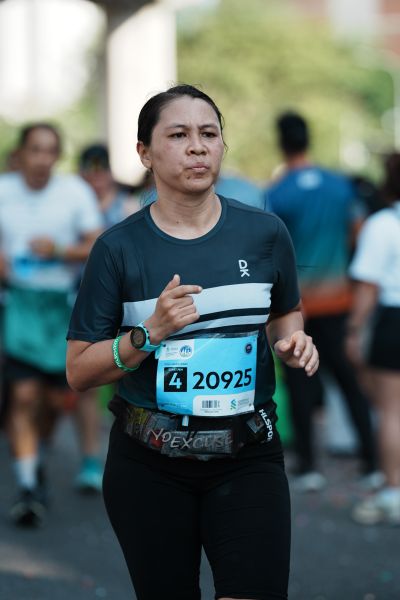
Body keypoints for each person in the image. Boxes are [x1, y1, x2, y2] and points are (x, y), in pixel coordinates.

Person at [66, 84, 319, 600]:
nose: (198, 147)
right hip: (149, 465)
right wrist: (148, 334)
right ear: (145, 153)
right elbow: (78, 371)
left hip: (249, 454)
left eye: (209, 134)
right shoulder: (117, 248)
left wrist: (292, 340)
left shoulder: (265, 233)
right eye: (178, 135)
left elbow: (285, 312)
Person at [265, 111, 379, 492]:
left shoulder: (278, 192)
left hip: (297, 306)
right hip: (340, 300)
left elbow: (274, 249)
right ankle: (371, 462)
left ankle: (309, 466)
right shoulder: (340, 186)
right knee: (349, 382)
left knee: (299, 382)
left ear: (282, 143)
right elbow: (358, 232)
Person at [0, 123, 102, 526]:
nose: (42, 159)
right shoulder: (4, 189)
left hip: (62, 305)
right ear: (20, 154)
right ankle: (28, 485)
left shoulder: (73, 192)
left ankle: (36, 452)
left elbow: (98, 243)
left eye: (50, 151)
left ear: (57, 156)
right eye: (35, 150)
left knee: (57, 401)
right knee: (23, 395)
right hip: (19, 302)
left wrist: (59, 250)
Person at [346, 152, 400, 525]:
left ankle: (394, 490)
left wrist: (353, 330)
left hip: (393, 320)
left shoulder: (382, 224)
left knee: (391, 412)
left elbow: (367, 286)